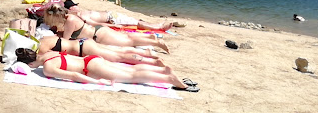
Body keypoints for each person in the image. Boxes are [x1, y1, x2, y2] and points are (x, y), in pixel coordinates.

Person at [15, 48, 199, 92]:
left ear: (30, 65)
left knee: (131, 76)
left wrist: (97, 82)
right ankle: (163, 72)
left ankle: (169, 78)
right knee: (126, 70)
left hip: (90, 68)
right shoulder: (47, 53)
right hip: (92, 59)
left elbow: (73, 75)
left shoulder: (47, 68)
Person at [43, 5, 170, 53]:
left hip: (98, 35)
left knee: (128, 41)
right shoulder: (71, 17)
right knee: (127, 38)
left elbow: (66, 41)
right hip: (98, 32)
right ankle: (150, 38)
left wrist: (54, 37)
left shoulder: (70, 21)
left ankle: (156, 42)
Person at [37, 35, 164, 66]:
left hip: (83, 49)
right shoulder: (45, 38)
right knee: (119, 52)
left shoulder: (41, 47)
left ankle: (153, 63)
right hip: (84, 42)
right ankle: (148, 54)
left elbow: (47, 58)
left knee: (119, 58)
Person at [63, 0, 176, 31]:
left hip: (111, 15)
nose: (77, 6)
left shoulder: (80, 13)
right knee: (136, 23)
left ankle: (157, 24)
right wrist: (112, 26)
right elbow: (94, 23)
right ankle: (160, 27)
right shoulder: (80, 15)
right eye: (75, 5)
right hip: (112, 19)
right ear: (72, 7)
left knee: (135, 19)